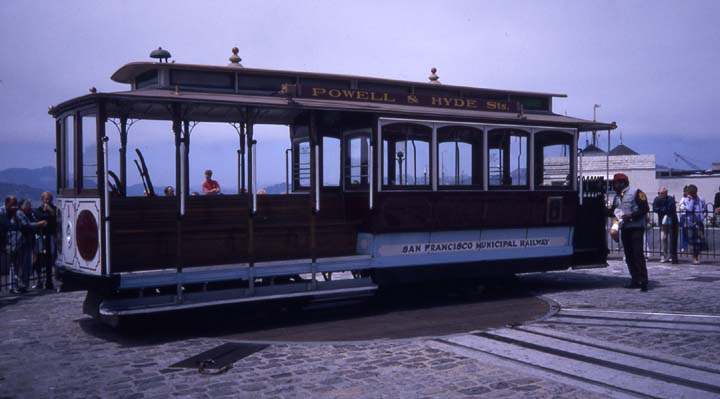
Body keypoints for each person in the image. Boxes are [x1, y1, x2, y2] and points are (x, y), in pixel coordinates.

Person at [607, 173, 650, 291]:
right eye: (615, 183)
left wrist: (631, 216)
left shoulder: (636, 192)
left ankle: (643, 280)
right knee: (629, 256)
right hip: (625, 228)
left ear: (623, 182)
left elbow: (645, 208)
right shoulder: (617, 196)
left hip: (636, 227)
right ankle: (634, 279)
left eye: (617, 183)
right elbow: (614, 211)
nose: (615, 185)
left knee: (638, 254)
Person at [34, 192, 57, 289]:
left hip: (51, 236)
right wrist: (48, 216)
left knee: (51, 257)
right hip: (41, 236)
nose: (48, 201)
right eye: (46, 199)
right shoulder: (38, 209)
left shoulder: (54, 209)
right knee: (39, 257)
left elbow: (55, 216)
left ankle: (49, 281)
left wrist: (49, 212)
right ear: (42, 199)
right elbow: (39, 217)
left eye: (49, 199)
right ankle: (40, 280)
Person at [652, 187, 678, 263]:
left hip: (671, 222)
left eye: (661, 193)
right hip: (662, 223)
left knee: (672, 239)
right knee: (663, 238)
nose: (660, 194)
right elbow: (655, 208)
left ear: (666, 193)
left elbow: (670, 208)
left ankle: (671, 256)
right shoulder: (657, 199)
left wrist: (662, 209)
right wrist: (663, 209)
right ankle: (663, 255)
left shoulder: (670, 199)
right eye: (658, 193)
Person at [683, 184, 707, 265]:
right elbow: (689, 209)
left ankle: (697, 254)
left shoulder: (701, 200)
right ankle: (694, 257)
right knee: (692, 241)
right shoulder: (686, 200)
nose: (693, 194)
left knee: (699, 241)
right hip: (690, 223)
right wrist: (692, 200)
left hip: (699, 223)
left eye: (694, 193)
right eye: (691, 193)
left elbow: (705, 209)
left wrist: (702, 217)